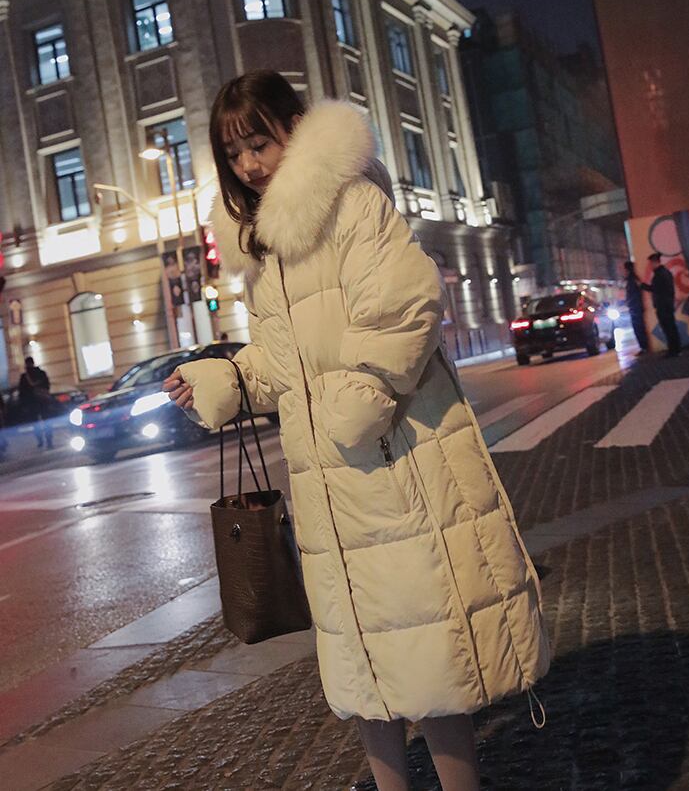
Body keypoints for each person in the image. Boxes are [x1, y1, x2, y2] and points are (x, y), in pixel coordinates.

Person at [164, 72, 549, 791]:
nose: (248, 163)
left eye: (258, 141)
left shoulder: (351, 204)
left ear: (294, 126)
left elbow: (407, 305)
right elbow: (281, 364)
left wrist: (355, 408)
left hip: (393, 462)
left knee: (428, 657)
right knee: (361, 667)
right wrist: (222, 380)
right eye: (233, 152)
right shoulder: (266, 250)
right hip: (328, 490)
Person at [641, 251, 682, 357]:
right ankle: (676, 349)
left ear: (655, 262)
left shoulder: (660, 274)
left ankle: (673, 350)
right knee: (671, 326)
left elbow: (656, 289)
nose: (650, 266)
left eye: (650, 263)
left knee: (668, 327)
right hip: (667, 304)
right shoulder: (665, 272)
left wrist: (643, 286)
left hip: (663, 305)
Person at [19, 355, 53, 448]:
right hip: (43, 401)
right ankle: (49, 440)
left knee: (35, 424)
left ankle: (40, 440)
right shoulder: (41, 373)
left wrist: (23, 405)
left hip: (32, 403)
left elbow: (22, 392)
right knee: (46, 421)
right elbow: (47, 386)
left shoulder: (24, 377)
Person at [624, 260, 649, 354]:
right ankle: (643, 346)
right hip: (636, 307)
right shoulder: (633, 279)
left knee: (638, 327)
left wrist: (630, 303)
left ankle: (644, 347)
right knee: (638, 327)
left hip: (636, 307)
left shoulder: (632, 279)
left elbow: (634, 294)